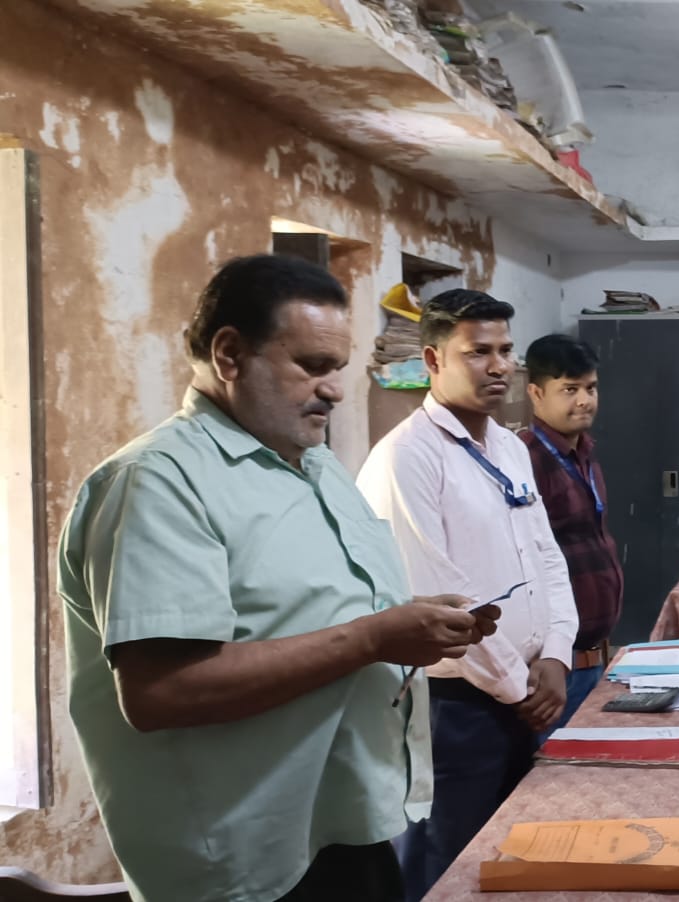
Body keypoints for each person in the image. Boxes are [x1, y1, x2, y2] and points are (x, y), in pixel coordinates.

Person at [57, 255, 497, 902]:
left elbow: (307, 614)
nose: (334, 390)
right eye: (313, 366)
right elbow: (162, 691)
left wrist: (412, 621)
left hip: (345, 820)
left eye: (338, 367)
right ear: (230, 355)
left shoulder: (313, 468)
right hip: (246, 862)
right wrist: (375, 637)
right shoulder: (158, 483)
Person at [356, 289, 580, 902]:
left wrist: (556, 654)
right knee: (449, 863)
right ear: (433, 359)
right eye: (478, 352)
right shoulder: (407, 457)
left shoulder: (508, 447)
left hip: (526, 693)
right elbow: (438, 597)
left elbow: (547, 557)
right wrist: (518, 685)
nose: (499, 366)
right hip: (454, 705)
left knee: (515, 863)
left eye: (505, 350)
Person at [520, 334, 623, 730]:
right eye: (569, 389)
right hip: (554, 669)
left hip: (593, 657)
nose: (584, 400)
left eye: (590, 388)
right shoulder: (525, 460)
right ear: (536, 393)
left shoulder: (584, 455)